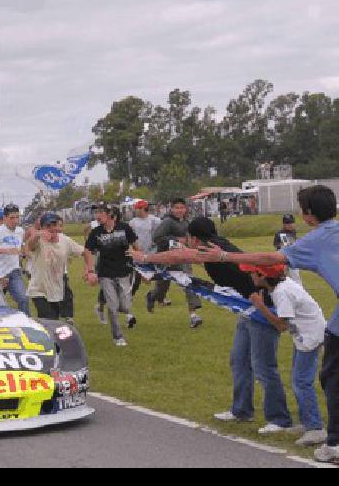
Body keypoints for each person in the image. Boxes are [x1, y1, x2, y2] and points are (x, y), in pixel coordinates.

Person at [191, 185, 338, 463]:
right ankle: (316, 428)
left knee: (320, 380)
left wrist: (225, 257)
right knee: (316, 378)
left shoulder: (315, 241)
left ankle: (325, 436)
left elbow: (272, 260)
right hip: (321, 329)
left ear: (308, 215)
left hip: (316, 333)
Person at [132, 216, 294, 434]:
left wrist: (144, 257)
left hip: (263, 310)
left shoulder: (212, 249)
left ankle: (280, 419)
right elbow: (182, 252)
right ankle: (242, 410)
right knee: (239, 360)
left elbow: (180, 255)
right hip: (247, 307)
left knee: (264, 367)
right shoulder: (214, 244)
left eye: (188, 237)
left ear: (195, 238)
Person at [243, 262, 327, 447]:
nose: (251, 277)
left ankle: (315, 429)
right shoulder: (282, 285)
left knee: (301, 382)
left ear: (263, 275)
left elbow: (281, 326)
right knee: (299, 381)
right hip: (308, 334)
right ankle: (308, 423)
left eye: (253, 274)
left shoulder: (282, 292)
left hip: (310, 337)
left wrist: (260, 306)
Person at [83, 205, 140, 346]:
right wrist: (90, 270)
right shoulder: (96, 232)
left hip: (125, 272)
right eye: (96, 212)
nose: (98, 215)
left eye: (101, 212)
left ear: (110, 214)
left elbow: (136, 246)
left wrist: (140, 257)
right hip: (105, 274)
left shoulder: (124, 228)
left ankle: (110, 308)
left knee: (126, 307)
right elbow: (87, 250)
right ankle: (118, 337)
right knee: (112, 306)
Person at [148, 198, 203, 328]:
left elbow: (190, 239)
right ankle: (152, 296)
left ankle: (193, 316)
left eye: (182, 207)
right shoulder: (167, 222)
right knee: (162, 289)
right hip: (166, 259)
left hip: (183, 259)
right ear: (171, 209)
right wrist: (175, 240)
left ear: (185, 209)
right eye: (177, 208)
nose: (180, 210)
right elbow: (156, 237)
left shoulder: (186, 222)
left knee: (188, 283)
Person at [26, 212, 84, 320]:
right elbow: (30, 245)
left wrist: (89, 270)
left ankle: (41, 334)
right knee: (48, 317)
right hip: (38, 289)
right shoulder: (39, 240)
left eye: (54, 225)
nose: (52, 228)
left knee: (52, 320)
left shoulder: (65, 240)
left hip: (55, 289)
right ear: (42, 227)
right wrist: (38, 234)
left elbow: (84, 251)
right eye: (48, 226)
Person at [128, 199, 160, 300]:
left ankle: (158, 295)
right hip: (138, 254)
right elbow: (130, 237)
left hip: (152, 253)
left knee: (159, 276)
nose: (136, 211)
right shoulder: (132, 222)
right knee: (136, 277)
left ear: (143, 209)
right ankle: (128, 296)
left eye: (137, 209)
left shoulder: (155, 221)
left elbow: (160, 234)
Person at [274, 214, 302, 285]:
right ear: (283, 224)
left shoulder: (293, 232)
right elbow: (287, 247)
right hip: (284, 258)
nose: (289, 225)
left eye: (291, 222)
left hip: (291, 257)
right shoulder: (281, 233)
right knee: (282, 278)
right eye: (287, 223)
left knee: (295, 278)